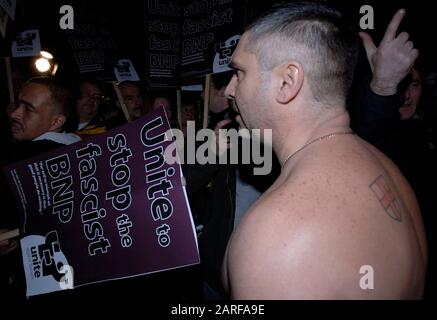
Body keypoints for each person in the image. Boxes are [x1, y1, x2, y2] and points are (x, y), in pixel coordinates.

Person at [222, 2, 427, 299]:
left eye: (239, 73)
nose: (229, 89)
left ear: (287, 82)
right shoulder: (390, 172)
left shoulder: (278, 234)